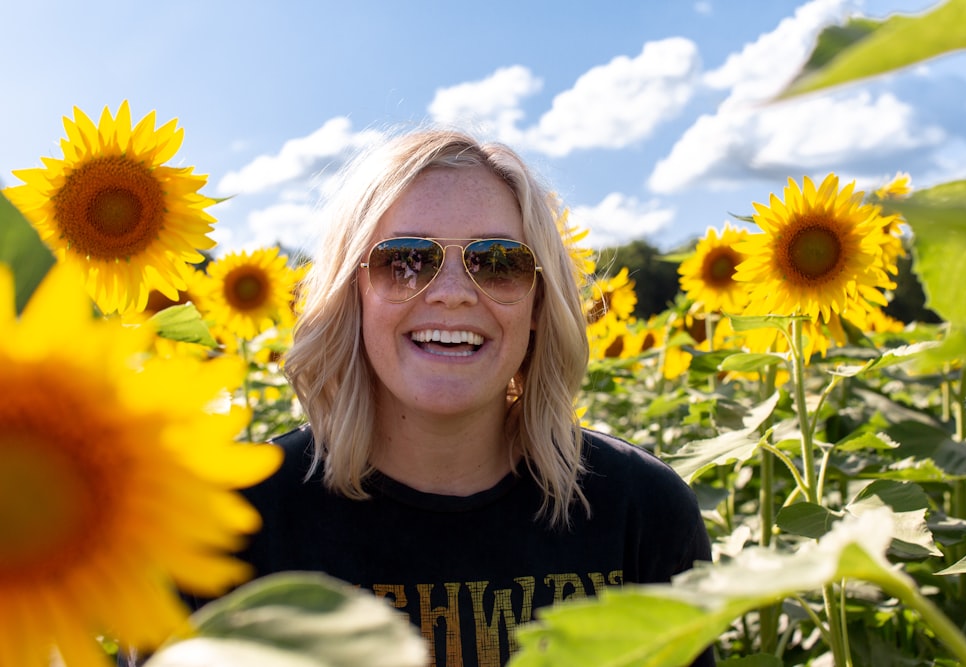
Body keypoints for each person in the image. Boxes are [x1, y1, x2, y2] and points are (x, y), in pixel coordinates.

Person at [222, 128, 715, 666]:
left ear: (539, 306)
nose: (452, 293)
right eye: (404, 258)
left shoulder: (640, 513)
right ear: (351, 293)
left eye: (499, 262)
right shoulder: (236, 521)